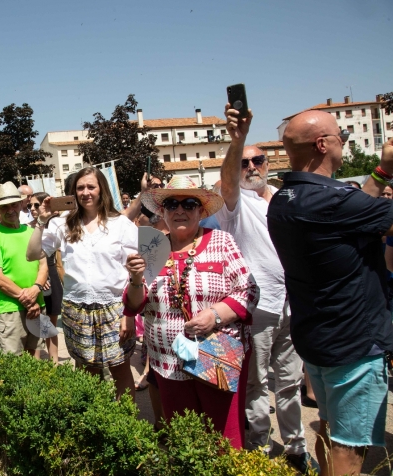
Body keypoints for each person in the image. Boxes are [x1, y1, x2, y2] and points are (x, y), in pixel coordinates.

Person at [269, 111, 393, 476]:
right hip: (354, 344)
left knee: (329, 427)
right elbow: (369, 213)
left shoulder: (286, 199)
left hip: (319, 340)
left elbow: (353, 209)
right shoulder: (332, 203)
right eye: (342, 136)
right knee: (351, 449)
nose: (344, 142)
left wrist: (383, 171)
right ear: (323, 144)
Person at [125, 175, 259, 448]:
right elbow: (134, 304)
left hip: (217, 358)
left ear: (201, 210)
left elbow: (248, 291)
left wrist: (215, 315)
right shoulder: (153, 247)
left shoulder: (221, 241)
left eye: (189, 203)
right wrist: (136, 279)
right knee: (185, 440)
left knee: (224, 439)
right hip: (168, 361)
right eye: (172, 204)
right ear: (162, 212)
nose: (180, 210)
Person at [218, 104, 317, 473]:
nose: (251, 168)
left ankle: (294, 448)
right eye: (244, 163)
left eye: (257, 160)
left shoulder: (283, 196)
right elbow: (227, 182)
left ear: (268, 163)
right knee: (257, 385)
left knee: (289, 384)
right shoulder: (234, 204)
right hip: (257, 310)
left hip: (293, 307)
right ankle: (259, 451)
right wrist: (238, 139)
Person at [27, 167, 137, 398]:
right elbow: (32, 254)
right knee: (87, 370)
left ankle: (127, 425)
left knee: (120, 367)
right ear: (73, 192)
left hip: (114, 308)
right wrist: (41, 221)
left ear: (102, 190)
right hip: (77, 308)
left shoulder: (121, 224)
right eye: (80, 188)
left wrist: (130, 313)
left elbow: (136, 270)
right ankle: (93, 423)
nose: (86, 192)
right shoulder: (62, 224)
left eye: (91, 186)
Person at [0, 182, 47, 356]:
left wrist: (35, 290)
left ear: (21, 204)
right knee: (13, 366)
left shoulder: (31, 231)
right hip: (9, 310)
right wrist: (27, 299)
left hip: (37, 305)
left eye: (13, 204)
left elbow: (43, 265)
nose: (10, 209)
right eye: (4, 206)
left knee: (36, 359)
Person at [27, 191, 64, 364]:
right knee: (37, 324)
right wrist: (39, 280)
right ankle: (36, 363)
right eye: (30, 206)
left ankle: (54, 363)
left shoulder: (55, 225)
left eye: (36, 205)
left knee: (50, 324)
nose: (33, 209)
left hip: (51, 275)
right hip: (35, 277)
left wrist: (48, 278)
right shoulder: (27, 227)